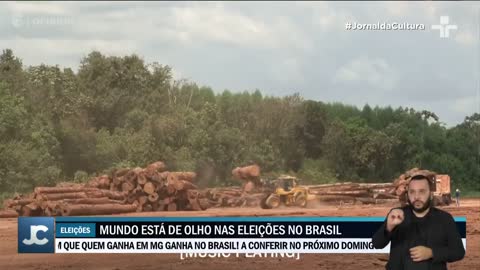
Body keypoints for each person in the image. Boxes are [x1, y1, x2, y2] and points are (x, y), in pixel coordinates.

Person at [372, 174, 465, 270]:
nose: (416, 197)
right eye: (412, 192)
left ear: (431, 194)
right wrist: (389, 227)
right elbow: (377, 244)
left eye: (422, 191)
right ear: (407, 194)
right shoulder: (397, 215)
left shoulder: (445, 219)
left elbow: (458, 252)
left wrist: (432, 253)